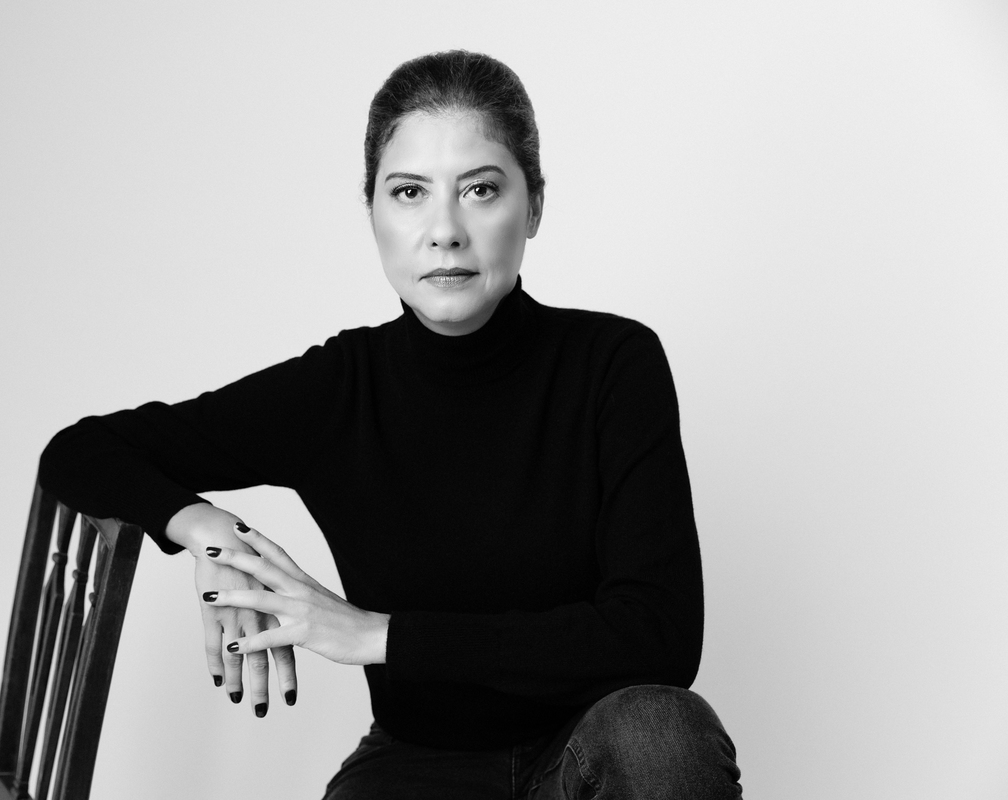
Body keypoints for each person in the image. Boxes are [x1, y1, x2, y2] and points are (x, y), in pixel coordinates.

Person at [40, 50, 743, 799]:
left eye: (480, 190)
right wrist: (211, 534)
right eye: (409, 192)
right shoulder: (340, 390)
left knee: (660, 732)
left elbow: (659, 636)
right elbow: (79, 452)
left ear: (534, 206)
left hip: (588, 754)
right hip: (416, 761)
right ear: (372, 211)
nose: (445, 231)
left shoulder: (612, 364)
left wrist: (375, 634)